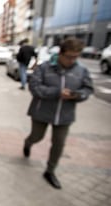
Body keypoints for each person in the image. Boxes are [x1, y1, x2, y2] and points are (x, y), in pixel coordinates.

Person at [23, 37, 93, 189]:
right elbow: (34, 87)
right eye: (69, 56)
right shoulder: (44, 68)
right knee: (37, 136)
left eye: (75, 57)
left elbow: (88, 90)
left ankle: (50, 170)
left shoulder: (81, 71)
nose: (72, 60)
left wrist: (77, 95)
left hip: (64, 115)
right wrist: (57, 92)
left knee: (59, 143)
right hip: (41, 111)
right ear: (61, 54)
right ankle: (28, 143)